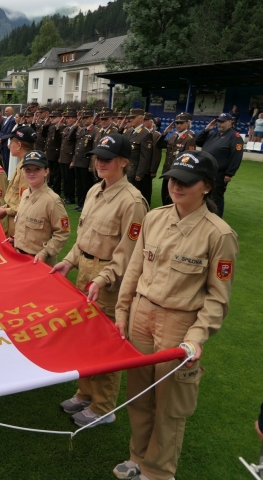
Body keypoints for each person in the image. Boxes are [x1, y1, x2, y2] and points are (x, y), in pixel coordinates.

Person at [112, 150, 238, 480]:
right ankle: (137, 457)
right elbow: (135, 267)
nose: (176, 186)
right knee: (139, 398)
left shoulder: (219, 234)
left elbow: (217, 299)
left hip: (179, 325)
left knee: (169, 406)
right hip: (141, 316)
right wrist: (122, 311)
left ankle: (158, 472)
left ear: (207, 187)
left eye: (186, 181)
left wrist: (196, 338)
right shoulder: (155, 217)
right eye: (173, 179)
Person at [51, 133, 148, 428]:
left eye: (107, 158)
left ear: (124, 163)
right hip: (86, 274)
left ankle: (104, 407)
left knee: (106, 345)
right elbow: (84, 238)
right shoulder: (95, 190)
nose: (100, 162)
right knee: (84, 337)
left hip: (110, 282)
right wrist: (68, 261)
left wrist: (104, 278)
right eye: (97, 157)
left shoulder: (133, 202)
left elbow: (129, 254)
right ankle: (85, 393)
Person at [13, 150, 70, 266]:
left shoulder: (52, 201)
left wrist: (45, 252)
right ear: (22, 171)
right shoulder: (25, 194)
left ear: (46, 171)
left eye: (37, 169)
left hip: (39, 262)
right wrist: (16, 240)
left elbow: (62, 233)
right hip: (19, 257)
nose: (31, 173)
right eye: (27, 169)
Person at [195, 112, 244, 218]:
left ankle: (216, 219)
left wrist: (230, 173)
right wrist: (206, 129)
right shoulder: (213, 133)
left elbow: (236, 156)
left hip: (219, 173)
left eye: (222, 122)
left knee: (216, 197)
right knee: (203, 194)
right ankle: (204, 216)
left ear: (230, 122)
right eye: (218, 121)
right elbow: (197, 141)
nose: (219, 124)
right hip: (204, 171)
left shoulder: (235, 137)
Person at [0, 126, 36, 236]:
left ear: (19, 145)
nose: (9, 146)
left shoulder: (28, 168)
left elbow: (27, 202)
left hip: (21, 224)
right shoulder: (22, 163)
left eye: (11, 142)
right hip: (14, 217)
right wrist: (6, 207)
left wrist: (6, 211)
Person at [156, 112, 196, 206]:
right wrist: (165, 133)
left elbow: (188, 158)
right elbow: (159, 145)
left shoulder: (189, 138)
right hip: (167, 172)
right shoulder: (174, 135)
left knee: (174, 202)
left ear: (187, 123)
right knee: (165, 199)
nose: (178, 125)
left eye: (181, 123)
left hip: (177, 175)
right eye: (177, 123)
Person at [122, 108, 154, 206]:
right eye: (130, 117)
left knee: (134, 197)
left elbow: (145, 156)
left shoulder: (145, 133)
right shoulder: (129, 131)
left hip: (134, 170)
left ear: (141, 118)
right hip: (125, 168)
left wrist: (140, 173)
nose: (130, 120)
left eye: (133, 118)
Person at [72, 110, 96, 212]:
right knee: (79, 185)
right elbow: (71, 140)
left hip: (86, 163)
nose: (84, 120)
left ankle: (86, 205)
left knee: (86, 186)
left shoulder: (95, 131)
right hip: (78, 161)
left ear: (92, 119)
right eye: (83, 118)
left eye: (87, 118)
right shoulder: (81, 130)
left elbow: (94, 149)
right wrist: (75, 125)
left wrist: (91, 164)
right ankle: (80, 203)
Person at [58, 111, 78, 204]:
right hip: (63, 157)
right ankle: (66, 197)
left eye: (69, 118)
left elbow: (71, 140)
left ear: (74, 119)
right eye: (66, 118)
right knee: (65, 179)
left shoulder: (76, 129)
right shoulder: (66, 129)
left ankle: (71, 197)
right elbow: (57, 133)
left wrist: (73, 160)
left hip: (69, 157)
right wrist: (60, 122)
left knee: (70, 180)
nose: (67, 120)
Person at [0, 106, 15, 172]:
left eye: (7, 111)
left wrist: (1, 139)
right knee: (3, 159)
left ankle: (7, 172)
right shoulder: (6, 119)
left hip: (5, 142)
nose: (5, 112)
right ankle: (4, 171)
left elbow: (8, 132)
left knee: (6, 158)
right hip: (1, 141)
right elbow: (2, 130)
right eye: (5, 111)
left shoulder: (12, 120)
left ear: (11, 111)